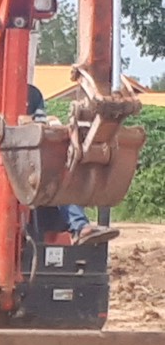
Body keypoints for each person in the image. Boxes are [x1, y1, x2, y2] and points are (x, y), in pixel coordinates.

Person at [27, 84, 118, 245]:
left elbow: (38, 128)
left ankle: (80, 227)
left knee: (60, 178)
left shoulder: (32, 94)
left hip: (29, 160)